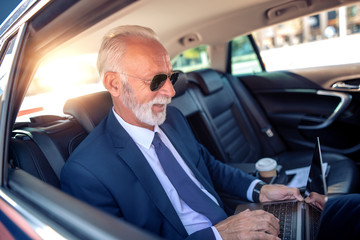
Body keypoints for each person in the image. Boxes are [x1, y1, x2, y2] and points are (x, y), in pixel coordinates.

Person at [60, 25, 304, 240]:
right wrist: (219, 235)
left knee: (323, 216)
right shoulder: (86, 173)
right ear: (114, 84)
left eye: (171, 77)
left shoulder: (173, 120)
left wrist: (259, 189)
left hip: (235, 226)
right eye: (156, 81)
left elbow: (210, 166)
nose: (170, 92)